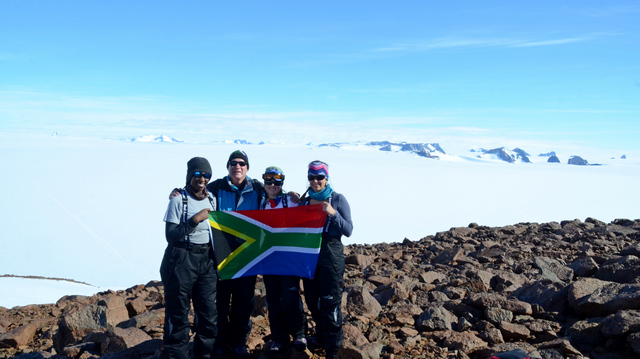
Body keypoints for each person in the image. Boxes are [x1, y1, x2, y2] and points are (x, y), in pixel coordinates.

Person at [160, 157, 218, 359]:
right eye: (197, 174)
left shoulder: (212, 198)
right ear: (189, 175)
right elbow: (171, 236)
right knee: (178, 316)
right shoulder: (178, 200)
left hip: (206, 261)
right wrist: (195, 219)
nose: (202, 178)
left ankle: (204, 355)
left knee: (208, 315)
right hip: (181, 261)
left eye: (206, 175)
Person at [209, 150, 263, 359]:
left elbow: (277, 198)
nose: (237, 166)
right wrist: (178, 191)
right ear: (228, 166)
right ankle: (220, 343)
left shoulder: (258, 189)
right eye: (233, 163)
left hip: (248, 258)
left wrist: (293, 195)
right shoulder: (216, 187)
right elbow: (194, 192)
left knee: (243, 302)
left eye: (241, 163)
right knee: (220, 303)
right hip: (222, 258)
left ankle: (239, 342)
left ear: (247, 168)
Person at [300, 160, 353, 359]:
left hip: (331, 257)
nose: (315, 181)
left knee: (331, 304)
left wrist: (333, 213)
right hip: (310, 258)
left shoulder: (338, 199)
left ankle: (333, 350)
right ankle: (322, 337)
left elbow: (348, 230)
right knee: (313, 301)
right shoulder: (305, 201)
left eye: (319, 177)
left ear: (326, 178)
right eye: (311, 177)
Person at [259, 166, 307, 356]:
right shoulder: (261, 204)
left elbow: (306, 215)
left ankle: (298, 333)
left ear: (282, 183)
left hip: (289, 259)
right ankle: (279, 338)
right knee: (273, 300)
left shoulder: (290, 201)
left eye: (276, 182)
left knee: (290, 296)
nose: (272, 185)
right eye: (268, 181)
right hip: (270, 260)